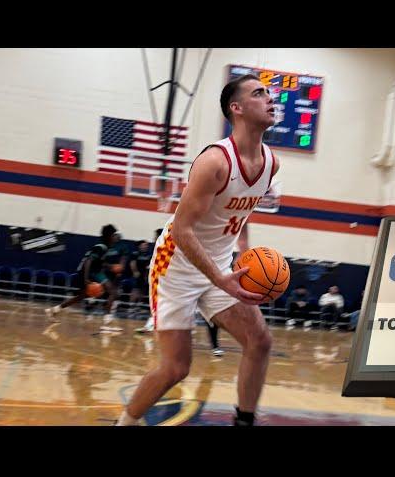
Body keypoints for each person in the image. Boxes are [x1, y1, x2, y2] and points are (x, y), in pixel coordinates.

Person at [117, 74, 279, 426]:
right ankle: (124, 424)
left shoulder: (270, 163)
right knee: (176, 368)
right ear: (236, 108)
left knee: (260, 341)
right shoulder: (215, 162)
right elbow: (180, 228)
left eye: (268, 92)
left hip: (220, 267)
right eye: (259, 93)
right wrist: (220, 278)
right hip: (175, 266)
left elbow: (241, 210)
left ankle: (244, 420)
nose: (270, 98)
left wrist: (244, 253)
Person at [45, 225, 119, 325]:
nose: (116, 236)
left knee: (81, 296)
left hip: (94, 272)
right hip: (88, 273)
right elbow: (88, 261)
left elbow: (99, 262)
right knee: (113, 291)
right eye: (114, 235)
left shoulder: (104, 247)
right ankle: (107, 322)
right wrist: (86, 279)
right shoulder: (102, 247)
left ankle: (54, 310)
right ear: (109, 236)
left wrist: (111, 267)